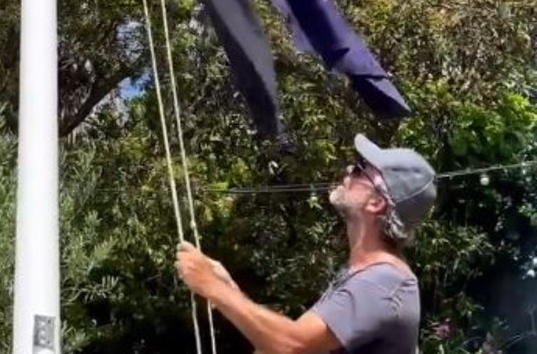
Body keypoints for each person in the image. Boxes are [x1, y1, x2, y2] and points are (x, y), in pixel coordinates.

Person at [176, 133, 436, 354]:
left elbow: (292, 346)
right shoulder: (365, 276)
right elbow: (286, 341)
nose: (348, 170)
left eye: (359, 170)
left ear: (376, 203)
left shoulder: (382, 283)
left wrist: (213, 288)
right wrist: (229, 290)